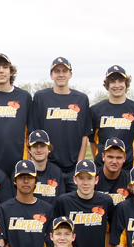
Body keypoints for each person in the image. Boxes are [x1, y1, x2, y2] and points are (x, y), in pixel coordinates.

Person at [30, 57, 91, 192]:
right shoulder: (41, 97)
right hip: (47, 166)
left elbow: (85, 136)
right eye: (57, 71)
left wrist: (79, 165)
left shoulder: (81, 99)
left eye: (64, 71)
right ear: (51, 75)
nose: (61, 74)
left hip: (73, 168)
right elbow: (34, 134)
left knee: (73, 208)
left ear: (70, 74)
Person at [54, 160, 114, 247]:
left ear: (96, 180)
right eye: (81, 178)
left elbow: (110, 232)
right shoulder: (64, 201)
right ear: (75, 180)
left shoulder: (106, 201)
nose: (85, 182)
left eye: (89, 178)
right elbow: (58, 234)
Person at [90, 65, 134, 172]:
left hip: (129, 170)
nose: (117, 85)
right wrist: (100, 161)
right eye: (112, 81)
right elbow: (93, 142)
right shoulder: (95, 110)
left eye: (120, 81)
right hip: (102, 170)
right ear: (107, 85)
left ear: (126, 83)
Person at [0, 160, 54, 247]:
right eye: (21, 177)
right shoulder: (4, 209)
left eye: (29, 177)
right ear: (14, 181)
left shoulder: (47, 209)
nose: (25, 181)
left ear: (36, 181)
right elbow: (2, 242)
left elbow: (50, 243)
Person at [25, 130, 65, 205]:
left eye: (42, 146)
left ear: (49, 149)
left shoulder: (56, 172)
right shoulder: (22, 172)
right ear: (29, 150)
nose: (39, 150)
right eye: (35, 146)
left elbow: (60, 201)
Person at [96, 137, 131, 206]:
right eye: (110, 157)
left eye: (118, 158)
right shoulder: (93, 178)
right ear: (103, 156)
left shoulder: (130, 180)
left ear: (124, 158)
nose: (114, 162)